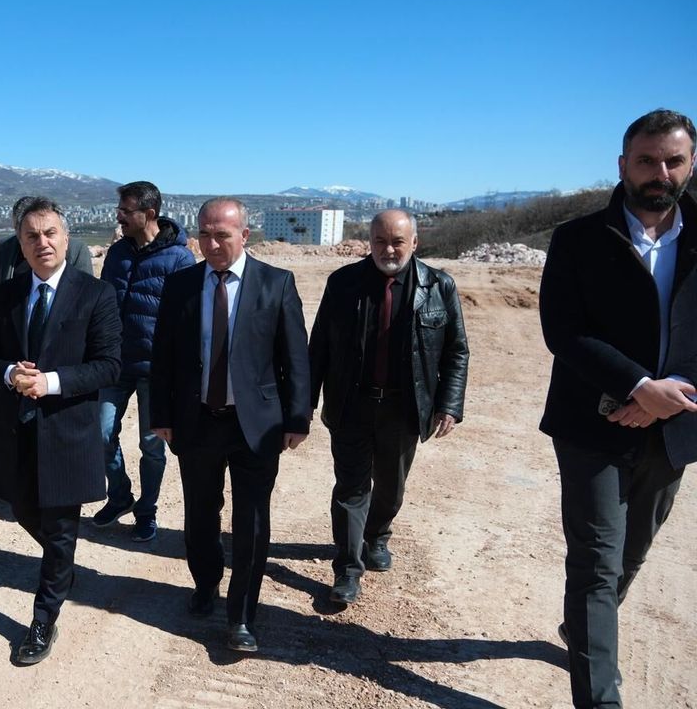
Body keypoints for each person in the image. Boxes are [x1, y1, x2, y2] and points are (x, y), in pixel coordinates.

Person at [539, 108, 697, 708]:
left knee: (632, 552)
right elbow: (564, 331)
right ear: (623, 165)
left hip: (677, 424)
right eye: (647, 160)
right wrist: (637, 386)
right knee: (596, 564)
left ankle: (583, 629)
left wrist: (668, 393)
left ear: (691, 164)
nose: (661, 172)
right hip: (591, 424)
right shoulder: (577, 239)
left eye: (673, 160)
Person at [149, 197, 310, 653]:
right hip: (197, 421)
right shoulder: (181, 285)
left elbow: (295, 358)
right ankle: (206, 584)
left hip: (255, 425)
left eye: (222, 234)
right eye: (205, 234)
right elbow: (163, 356)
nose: (213, 244)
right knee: (200, 515)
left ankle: (242, 615)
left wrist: (298, 417)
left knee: (252, 521)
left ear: (245, 235)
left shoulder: (276, 283)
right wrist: (161, 415)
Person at [0, 196, 121, 664]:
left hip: (67, 430)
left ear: (66, 237)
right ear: (20, 244)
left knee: (59, 529)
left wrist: (50, 382)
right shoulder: (8, 293)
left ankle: (43, 619)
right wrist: (8, 373)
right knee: (21, 508)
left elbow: (109, 365)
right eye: (32, 236)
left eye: (50, 233)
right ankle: (63, 564)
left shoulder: (95, 294)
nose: (43, 242)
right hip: (17, 431)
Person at [308, 209, 469, 606]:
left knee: (391, 486)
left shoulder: (439, 286)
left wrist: (449, 404)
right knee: (351, 487)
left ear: (414, 242)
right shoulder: (343, 283)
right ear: (370, 242)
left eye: (397, 241)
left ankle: (377, 535)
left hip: (404, 408)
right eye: (380, 241)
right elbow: (319, 348)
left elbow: (456, 351)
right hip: (351, 403)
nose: (388, 249)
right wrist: (303, 404)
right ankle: (347, 569)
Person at [92, 180, 194, 541]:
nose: (118, 217)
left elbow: (187, 319)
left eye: (125, 211)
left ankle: (146, 511)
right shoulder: (117, 253)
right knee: (101, 433)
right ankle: (119, 495)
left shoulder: (180, 259)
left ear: (149, 213)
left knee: (152, 446)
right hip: (115, 363)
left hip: (156, 369)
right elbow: (103, 304)